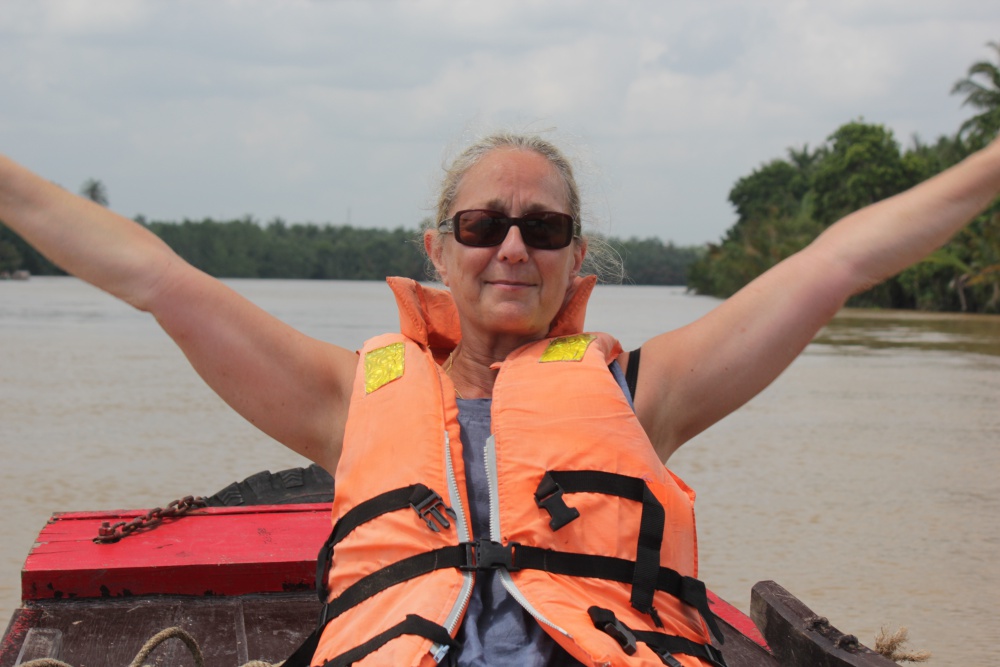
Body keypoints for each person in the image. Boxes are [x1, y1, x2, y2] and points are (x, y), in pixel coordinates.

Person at [1, 129, 999, 667]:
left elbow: (836, 263)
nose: (513, 247)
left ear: (575, 255)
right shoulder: (346, 397)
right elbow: (157, 279)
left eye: (543, 228)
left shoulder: (640, 393)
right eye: (482, 225)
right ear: (438, 250)